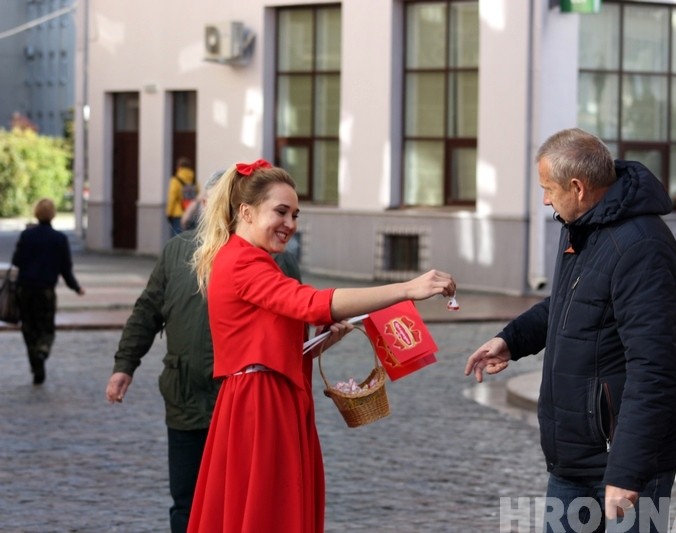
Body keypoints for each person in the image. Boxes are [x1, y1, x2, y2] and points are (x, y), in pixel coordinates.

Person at [186, 159, 456, 533]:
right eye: (281, 211)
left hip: (267, 396)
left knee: (269, 509)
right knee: (269, 513)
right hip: (260, 403)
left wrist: (320, 341)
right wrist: (407, 289)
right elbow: (311, 303)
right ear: (246, 212)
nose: (290, 223)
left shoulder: (247, 258)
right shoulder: (243, 261)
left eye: (295, 215)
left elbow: (263, 347)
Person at [465, 128, 676, 533]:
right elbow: (569, 304)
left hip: (622, 463)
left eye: (548, 189)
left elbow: (654, 368)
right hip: (574, 459)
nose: (545, 200)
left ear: (578, 187)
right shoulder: (585, 227)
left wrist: (627, 471)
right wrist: (511, 340)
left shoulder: (642, 247)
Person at [105, 169, 305, 532]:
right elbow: (148, 310)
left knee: (242, 502)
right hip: (186, 395)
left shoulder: (277, 258)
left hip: (246, 401)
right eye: (213, 204)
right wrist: (125, 364)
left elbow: (297, 324)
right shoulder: (178, 251)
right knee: (187, 500)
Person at [12, 198, 85, 384]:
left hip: (24, 289)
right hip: (45, 290)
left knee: (28, 327)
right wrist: (76, 287)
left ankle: (36, 365)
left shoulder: (26, 235)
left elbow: (16, 261)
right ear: (53, 214)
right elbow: (65, 269)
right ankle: (43, 350)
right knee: (46, 327)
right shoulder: (59, 239)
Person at [166, 157, 196, 235]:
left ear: (179, 167)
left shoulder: (175, 180)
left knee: (177, 239)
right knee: (190, 238)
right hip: (191, 214)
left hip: (178, 214)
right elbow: (197, 198)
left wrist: (169, 213)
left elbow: (172, 198)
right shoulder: (194, 181)